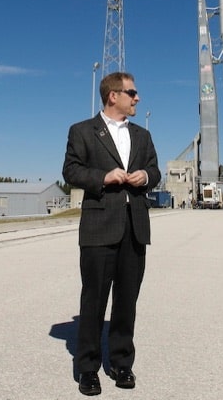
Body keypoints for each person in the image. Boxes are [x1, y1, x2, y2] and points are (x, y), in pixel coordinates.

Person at [63, 72, 161, 396]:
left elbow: (156, 171)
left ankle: (122, 363)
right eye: (132, 92)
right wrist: (104, 177)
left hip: (135, 227)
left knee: (127, 301)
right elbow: (71, 170)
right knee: (94, 300)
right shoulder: (82, 131)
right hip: (99, 227)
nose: (137, 98)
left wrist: (145, 176)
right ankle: (88, 368)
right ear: (112, 96)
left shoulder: (143, 136)